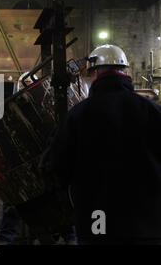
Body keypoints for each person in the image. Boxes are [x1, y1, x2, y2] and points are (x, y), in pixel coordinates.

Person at [45, 44, 161, 244]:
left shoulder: (79, 115)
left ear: (95, 73)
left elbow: (56, 166)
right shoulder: (153, 111)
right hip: (147, 224)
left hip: (97, 222)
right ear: (125, 72)